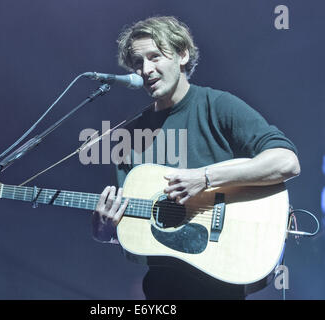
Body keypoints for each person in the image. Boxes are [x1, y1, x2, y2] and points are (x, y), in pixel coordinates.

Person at [91, 16, 300, 299]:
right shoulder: (130, 136)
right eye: (138, 63)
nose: (146, 70)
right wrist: (106, 231)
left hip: (221, 283)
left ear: (182, 54)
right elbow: (130, 229)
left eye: (155, 57)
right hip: (162, 291)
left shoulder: (218, 105)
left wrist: (205, 178)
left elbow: (286, 162)